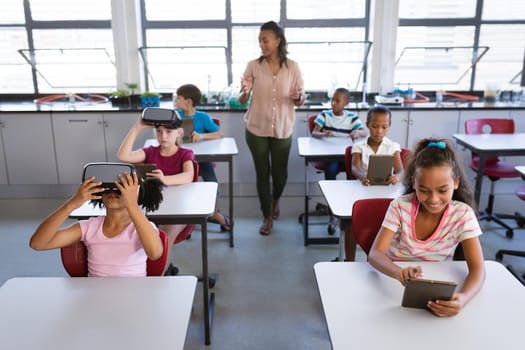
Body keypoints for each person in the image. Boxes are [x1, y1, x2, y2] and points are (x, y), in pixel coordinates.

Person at [368, 138, 486, 317]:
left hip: (439, 285)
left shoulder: (462, 215)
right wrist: (399, 272)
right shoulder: (400, 207)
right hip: (393, 283)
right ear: (413, 183)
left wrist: (463, 298)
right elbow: (375, 254)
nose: (433, 199)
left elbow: (478, 269)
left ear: (456, 183)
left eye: (442, 190)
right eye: (423, 190)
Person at [29, 170, 165, 277]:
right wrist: (72, 204)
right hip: (95, 295)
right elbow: (38, 243)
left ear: (137, 194)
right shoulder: (89, 227)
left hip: (134, 294)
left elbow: (155, 253)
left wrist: (132, 205)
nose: (112, 191)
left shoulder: (142, 227)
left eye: (120, 187)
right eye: (107, 187)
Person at [239, 20, 305, 236]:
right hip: (256, 128)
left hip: (283, 128)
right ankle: (267, 216)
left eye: (265, 40)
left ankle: (275, 199)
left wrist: (299, 97)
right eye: (259, 40)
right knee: (262, 173)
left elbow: (299, 99)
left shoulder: (293, 66)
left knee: (280, 174)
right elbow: (242, 100)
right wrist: (246, 91)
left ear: (277, 41)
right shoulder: (253, 66)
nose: (262, 44)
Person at [118, 114, 194, 275]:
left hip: (178, 213)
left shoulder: (185, 153)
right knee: (132, 233)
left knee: (163, 237)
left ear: (179, 133)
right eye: (159, 131)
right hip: (151, 209)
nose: (163, 136)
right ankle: (139, 271)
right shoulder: (150, 152)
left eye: (168, 131)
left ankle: (157, 275)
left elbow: (188, 176)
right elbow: (123, 156)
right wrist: (137, 128)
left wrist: (163, 179)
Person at [175, 83, 231, 231]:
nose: (176, 101)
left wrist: (202, 136)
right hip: (180, 160)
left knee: (212, 184)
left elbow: (219, 134)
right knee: (180, 187)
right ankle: (184, 217)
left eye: (178, 98)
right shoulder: (174, 116)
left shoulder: (203, 117)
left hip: (201, 160)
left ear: (188, 101)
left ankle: (215, 213)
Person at [311, 87, 367, 180]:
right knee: (331, 169)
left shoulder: (351, 117)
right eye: (332, 99)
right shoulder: (325, 114)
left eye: (337, 101)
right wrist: (323, 134)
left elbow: (364, 132)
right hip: (331, 154)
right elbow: (314, 133)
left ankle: (350, 193)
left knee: (353, 171)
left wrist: (357, 132)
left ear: (346, 103)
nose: (333, 103)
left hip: (347, 154)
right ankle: (331, 192)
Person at [351, 105, 403, 185]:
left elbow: (400, 171)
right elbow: (355, 168)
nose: (379, 131)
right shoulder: (358, 146)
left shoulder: (393, 146)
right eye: (374, 126)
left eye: (384, 127)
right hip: (365, 185)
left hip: (387, 188)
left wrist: (397, 177)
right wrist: (363, 177)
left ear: (389, 125)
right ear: (367, 124)